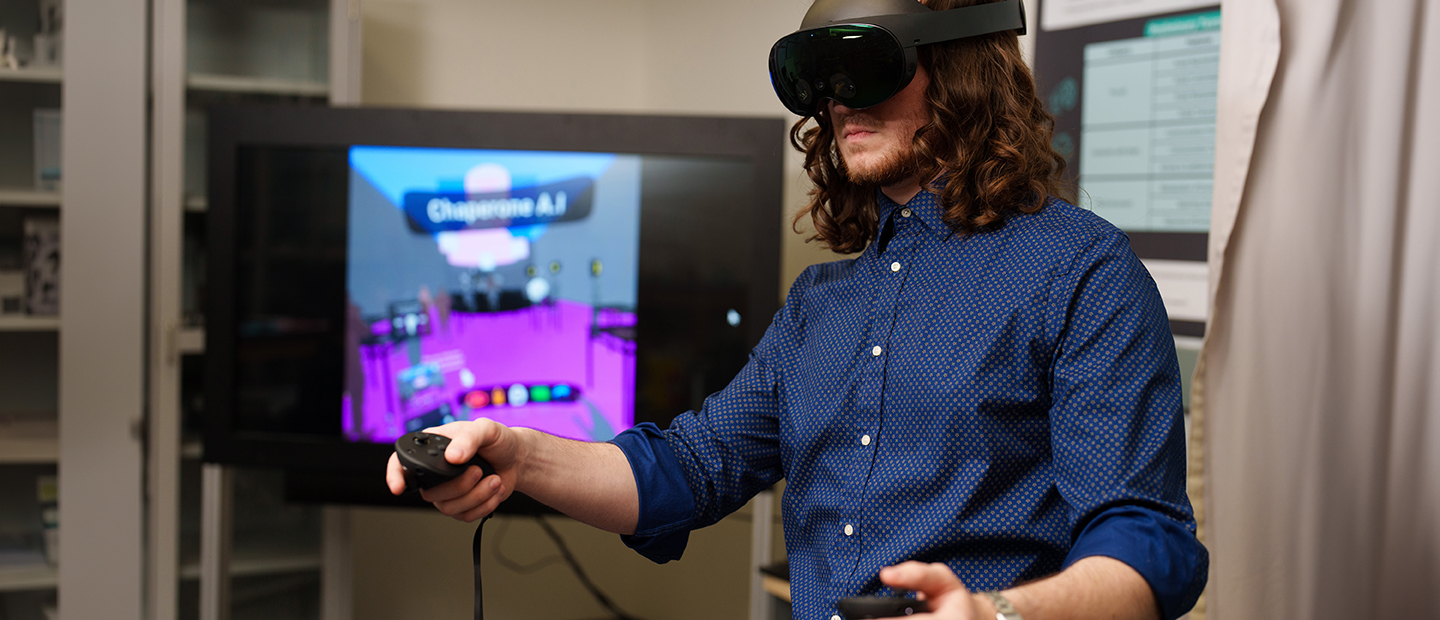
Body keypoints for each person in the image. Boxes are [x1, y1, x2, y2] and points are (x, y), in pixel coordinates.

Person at [387, 0, 1207, 618]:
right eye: (822, 82)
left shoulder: (1079, 270)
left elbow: (1148, 540)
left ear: (963, 67)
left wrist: (998, 613)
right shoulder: (823, 304)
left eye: (867, 68)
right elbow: (691, 469)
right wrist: (520, 454)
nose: (841, 101)